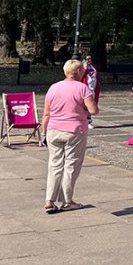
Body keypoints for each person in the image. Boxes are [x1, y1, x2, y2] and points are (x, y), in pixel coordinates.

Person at [40, 58, 98, 213]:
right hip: (74, 130)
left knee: (54, 165)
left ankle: (49, 200)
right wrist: (84, 109)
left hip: (53, 129)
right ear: (78, 71)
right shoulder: (82, 88)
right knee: (71, 165)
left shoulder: (53, 87)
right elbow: (93, 110)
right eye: (82, 70)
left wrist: (44, 132)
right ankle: (67, 201)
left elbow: (46, 113)